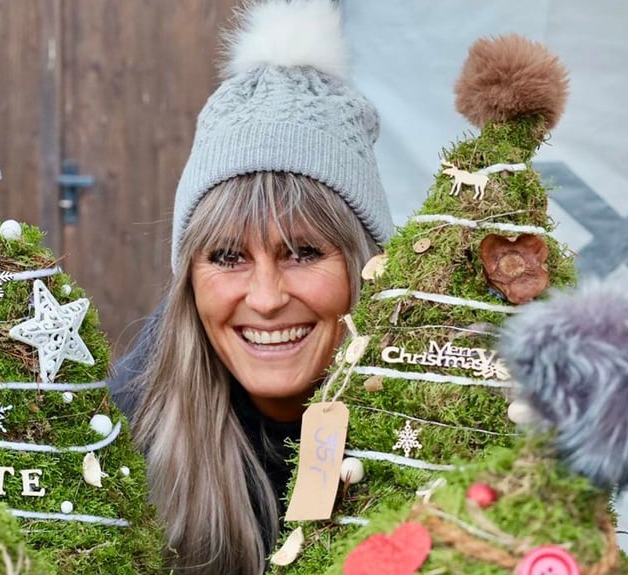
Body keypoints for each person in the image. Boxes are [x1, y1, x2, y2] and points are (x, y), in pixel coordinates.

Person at [107, 1, 393, 573]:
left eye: (304, 252)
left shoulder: (451, 420)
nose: (264, 297)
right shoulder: (118, 447)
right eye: (228, 256)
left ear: (366, 267)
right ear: (190, 279)